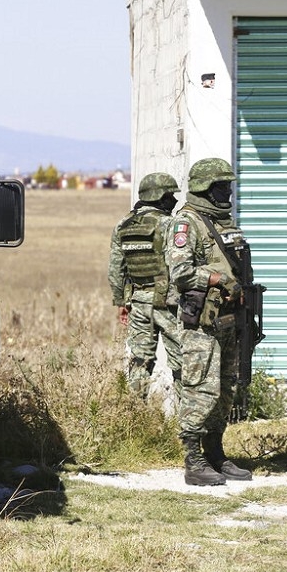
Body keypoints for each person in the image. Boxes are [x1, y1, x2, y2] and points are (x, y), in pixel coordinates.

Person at [166, 158, 254, 486]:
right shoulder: (186, 223)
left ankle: (215, 452)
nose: (228, 193)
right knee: (201, 388)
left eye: (229, 187)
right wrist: (217, 278)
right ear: (205, 189)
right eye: (221, 187)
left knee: (226, 390)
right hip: (202, 322)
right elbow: (180, 271)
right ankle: (193, 460)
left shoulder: (224, 222)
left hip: (230, 320)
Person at [107, 172, 183, 402]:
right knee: (181, 363)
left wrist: (121, 303)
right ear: (160, 196)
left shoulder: (124, 224)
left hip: (138, 303)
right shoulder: (170, 224)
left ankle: (133, 416)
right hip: (168, 303)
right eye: (170, 195)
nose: (174, 200)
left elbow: (115, 271)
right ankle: (185, 425)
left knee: (139, 361)